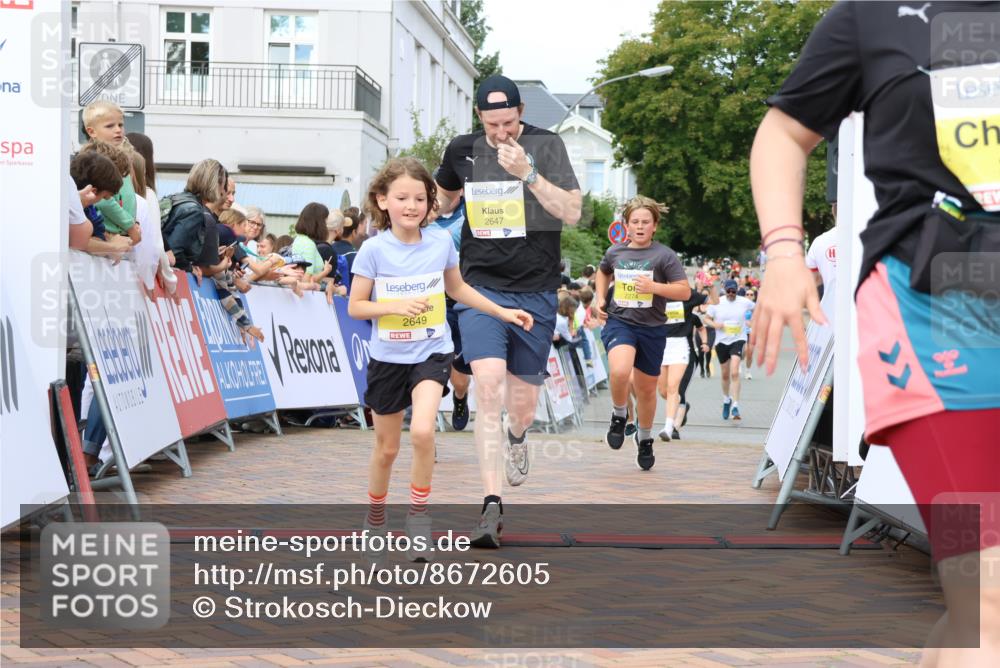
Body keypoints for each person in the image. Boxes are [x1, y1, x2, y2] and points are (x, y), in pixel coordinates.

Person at [750, 3, 999, 663]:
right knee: (987, 596)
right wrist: (784, 253)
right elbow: (785, 132)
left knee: (978, 610)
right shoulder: (873, 14)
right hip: (931, 321)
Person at [349, 158, 532, 563]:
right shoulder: (373, 250)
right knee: (387, 449)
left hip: (431, 351)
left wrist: (501, 312)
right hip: (387, 358)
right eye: (402, 198)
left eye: (419, 198)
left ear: (430, 202)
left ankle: (418, 519)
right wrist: (393, 306)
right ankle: (376, 520)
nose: (411, 206)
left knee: (423, 433)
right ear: (382, 200)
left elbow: (458, 288)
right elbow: (356, 306)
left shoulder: (439, 243)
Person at [434, 74, 582, 547]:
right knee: (489, 385)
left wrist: (529, 174)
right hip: (481, 288)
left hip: (536, 290)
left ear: (521, 113)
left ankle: (518, 437)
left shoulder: (547, 145)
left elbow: (572, 212)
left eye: (509, 123)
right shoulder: (461, 150)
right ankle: (491, 505)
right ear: (479, 117)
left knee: (521, 408)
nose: (501, 133)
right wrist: (420, 210)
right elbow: (444, 199)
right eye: (492, 124)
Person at [594, 195, 689, 470]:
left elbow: (684, 291)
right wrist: (600, 298)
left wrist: (654, 288)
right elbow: (603, 272)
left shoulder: (664, 256)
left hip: (652, 328)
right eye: (634, 221)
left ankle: (645, 439)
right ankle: (619, 415)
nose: (639, 226)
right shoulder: (615, 252)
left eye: (645, 222)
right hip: (620, 322)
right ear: (626, 225)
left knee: (647, 391)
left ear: (654, 226)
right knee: (620, 371)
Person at [81, 101, 141, 246]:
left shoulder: (120, 158)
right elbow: (103, 200)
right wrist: (130, 226)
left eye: (120, 125)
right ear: (91, 132)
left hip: (123, 234)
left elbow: (127, 198)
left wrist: (134, 222)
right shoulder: (94, 160)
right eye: (110, 126)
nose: (118, 130)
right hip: (106, 235)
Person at [657, 282, 708, 441]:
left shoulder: (686, 294)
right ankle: (680, 406)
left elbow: (711, 301)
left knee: (674, 388)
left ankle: (669, 427)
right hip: (661, 344)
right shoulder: (657, 292)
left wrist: (711, 287)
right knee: (663, 391)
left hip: (680, 345)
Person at [702, 279, 754, 421]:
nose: (731, 293)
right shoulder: (717, 303)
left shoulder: (744, 302)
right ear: (725, 290)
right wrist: (715, 325)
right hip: (722, 341)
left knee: (735, 372)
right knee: (725, 375)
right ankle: (726, 400)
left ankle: (735, 405)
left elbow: (758, 309)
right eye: (729, 291)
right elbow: (706, 319)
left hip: (738, 339)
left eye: (733, 291)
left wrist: (753, 321)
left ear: (737, 291)